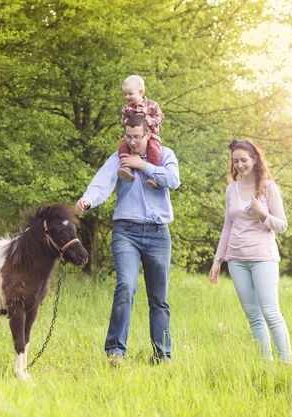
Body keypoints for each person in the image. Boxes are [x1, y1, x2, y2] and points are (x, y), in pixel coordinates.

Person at [75, 113, 180, 364]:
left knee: (159, 298)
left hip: (158, 232)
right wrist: (88, 199)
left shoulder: (165, 154)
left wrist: (142, 165)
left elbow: (173, 181)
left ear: (148, 134)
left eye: (137, 137)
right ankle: (115, 351)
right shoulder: (119, 157)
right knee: (125, 286)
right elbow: (102, 183)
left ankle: (162, 355)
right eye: (128, 137)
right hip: (126, 232)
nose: (132, 142)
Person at [208, 139, 292, 364]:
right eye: (235, 161)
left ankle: (286, 364)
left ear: (255, 160)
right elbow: (228, 226)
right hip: (236, 260)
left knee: (271, 313)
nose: (240, 165)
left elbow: (282, 225)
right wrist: (218, 260)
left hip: (263, 258)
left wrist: (263, 213)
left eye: (244, 160)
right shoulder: (231, 189)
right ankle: (266, 365)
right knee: (254, 317)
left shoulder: (269, 188)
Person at [118, 75, 164, 189]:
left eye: (130, 94)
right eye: (125, 94)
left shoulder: (152, 105)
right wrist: (129, 122)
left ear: (141, 92)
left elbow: (160, 117)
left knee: (154, 150)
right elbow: (123, 121)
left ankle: (153, 177)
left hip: (150, 135)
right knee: (123, 146)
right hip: (132, 135)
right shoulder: (126, 108)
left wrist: (151, 121)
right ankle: (126, 168)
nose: (127, 96)